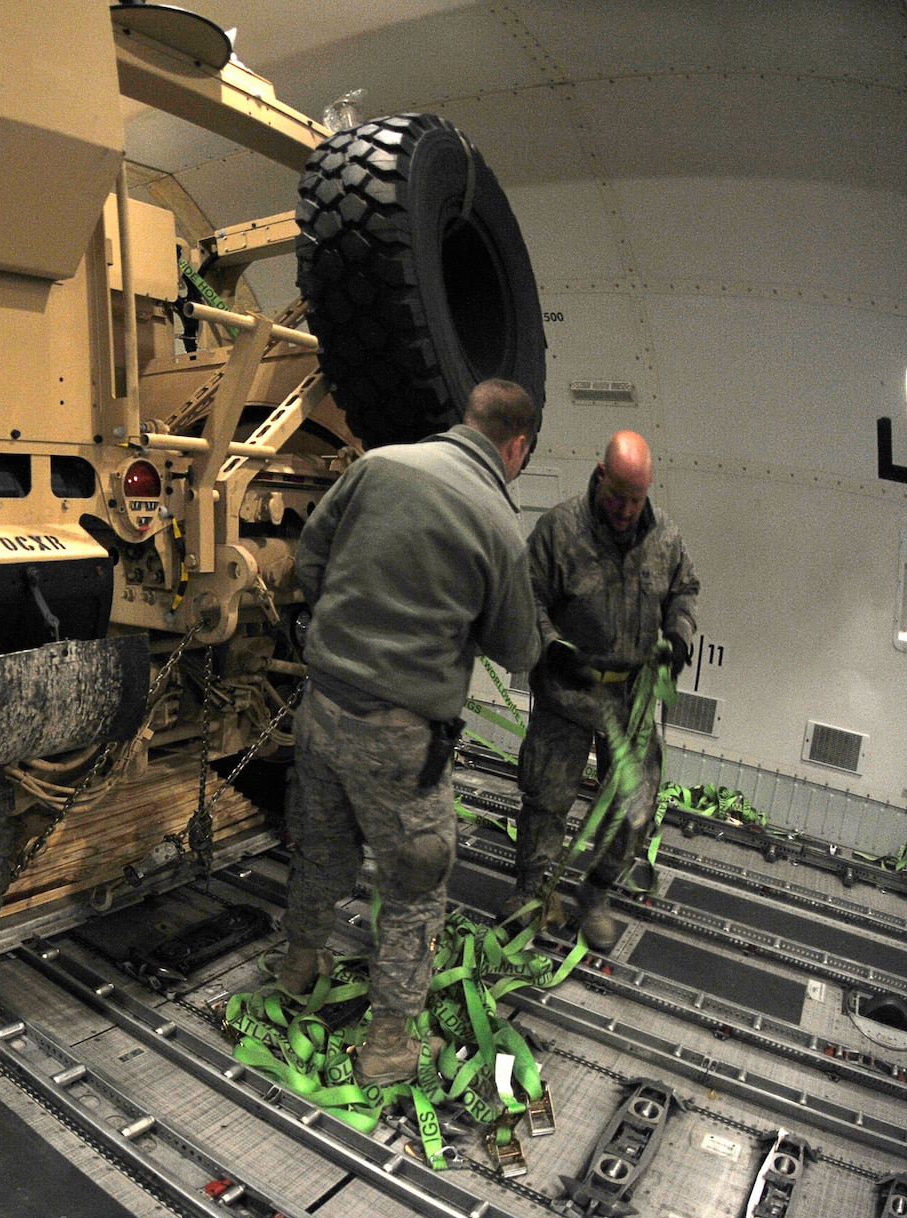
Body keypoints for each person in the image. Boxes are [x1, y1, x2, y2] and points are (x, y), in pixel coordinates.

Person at [280, 379, 544, 1084]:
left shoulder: (377, 466)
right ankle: (389, 1046)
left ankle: (299, 965)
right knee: (414, 886)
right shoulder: (496, 522)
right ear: (515, 447)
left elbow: (310, 555)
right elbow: (519, 650)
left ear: (469, 422)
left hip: (321, 706)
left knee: (321, 849)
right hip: (399, 739)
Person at [512, 430, 698, 951]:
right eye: (617, 496)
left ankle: (595, 894)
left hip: (631, 703)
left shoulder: (665, 538)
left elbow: (685, 589)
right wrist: (551, 648)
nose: (624, 510)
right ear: (599, 474)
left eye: (635, 500)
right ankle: (534, 897)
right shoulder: (559, 531)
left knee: (634, 807)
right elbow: (528, 597)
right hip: (568, 696)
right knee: (547, 799)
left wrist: (679, 636)